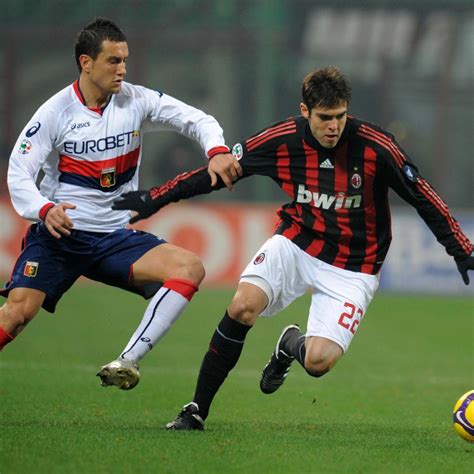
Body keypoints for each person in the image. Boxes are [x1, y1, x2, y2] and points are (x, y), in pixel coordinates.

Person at [112, 66, 473, 428]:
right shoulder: (282, 140)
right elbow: (218, 172)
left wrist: (461, 249)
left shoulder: (376, 147)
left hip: (355, 265)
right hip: (297, 242)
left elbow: (423, 196)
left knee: (318, 362)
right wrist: (155, 198)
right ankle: (196, 410)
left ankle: (290, 345)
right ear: (305, 111)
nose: (334, 126)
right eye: (325, 117)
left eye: (340, 116)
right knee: (242, 306)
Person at [0, 18, 242, 391]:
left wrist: (217, 150)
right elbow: (19, 172)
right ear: (86, 63)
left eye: (124, 60)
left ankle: (127, 361)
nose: (122, 69)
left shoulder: (136, 101)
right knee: (17, 314)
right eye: (113, 60)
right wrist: (44, 209)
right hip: (61, 236)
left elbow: (197, 119)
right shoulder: (55, 113)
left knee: (189, 268)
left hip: (114, 238)